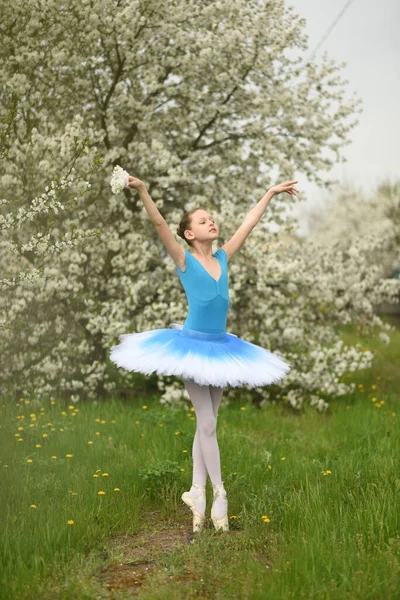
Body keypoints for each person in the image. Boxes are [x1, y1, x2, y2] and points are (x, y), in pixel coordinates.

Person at [110, 175, 299, 533]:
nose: (210, 221)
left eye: (211, 218)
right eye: (201, 220)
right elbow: (159, 223)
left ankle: (196, 493)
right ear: (189, 235)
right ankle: (219, 496)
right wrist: (143, 190)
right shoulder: (184, 260)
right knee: (208, 423)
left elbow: (249, 222)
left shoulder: (224, 256)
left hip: (222, 349)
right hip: (191, 348)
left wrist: (270, 192)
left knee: (206, 423)